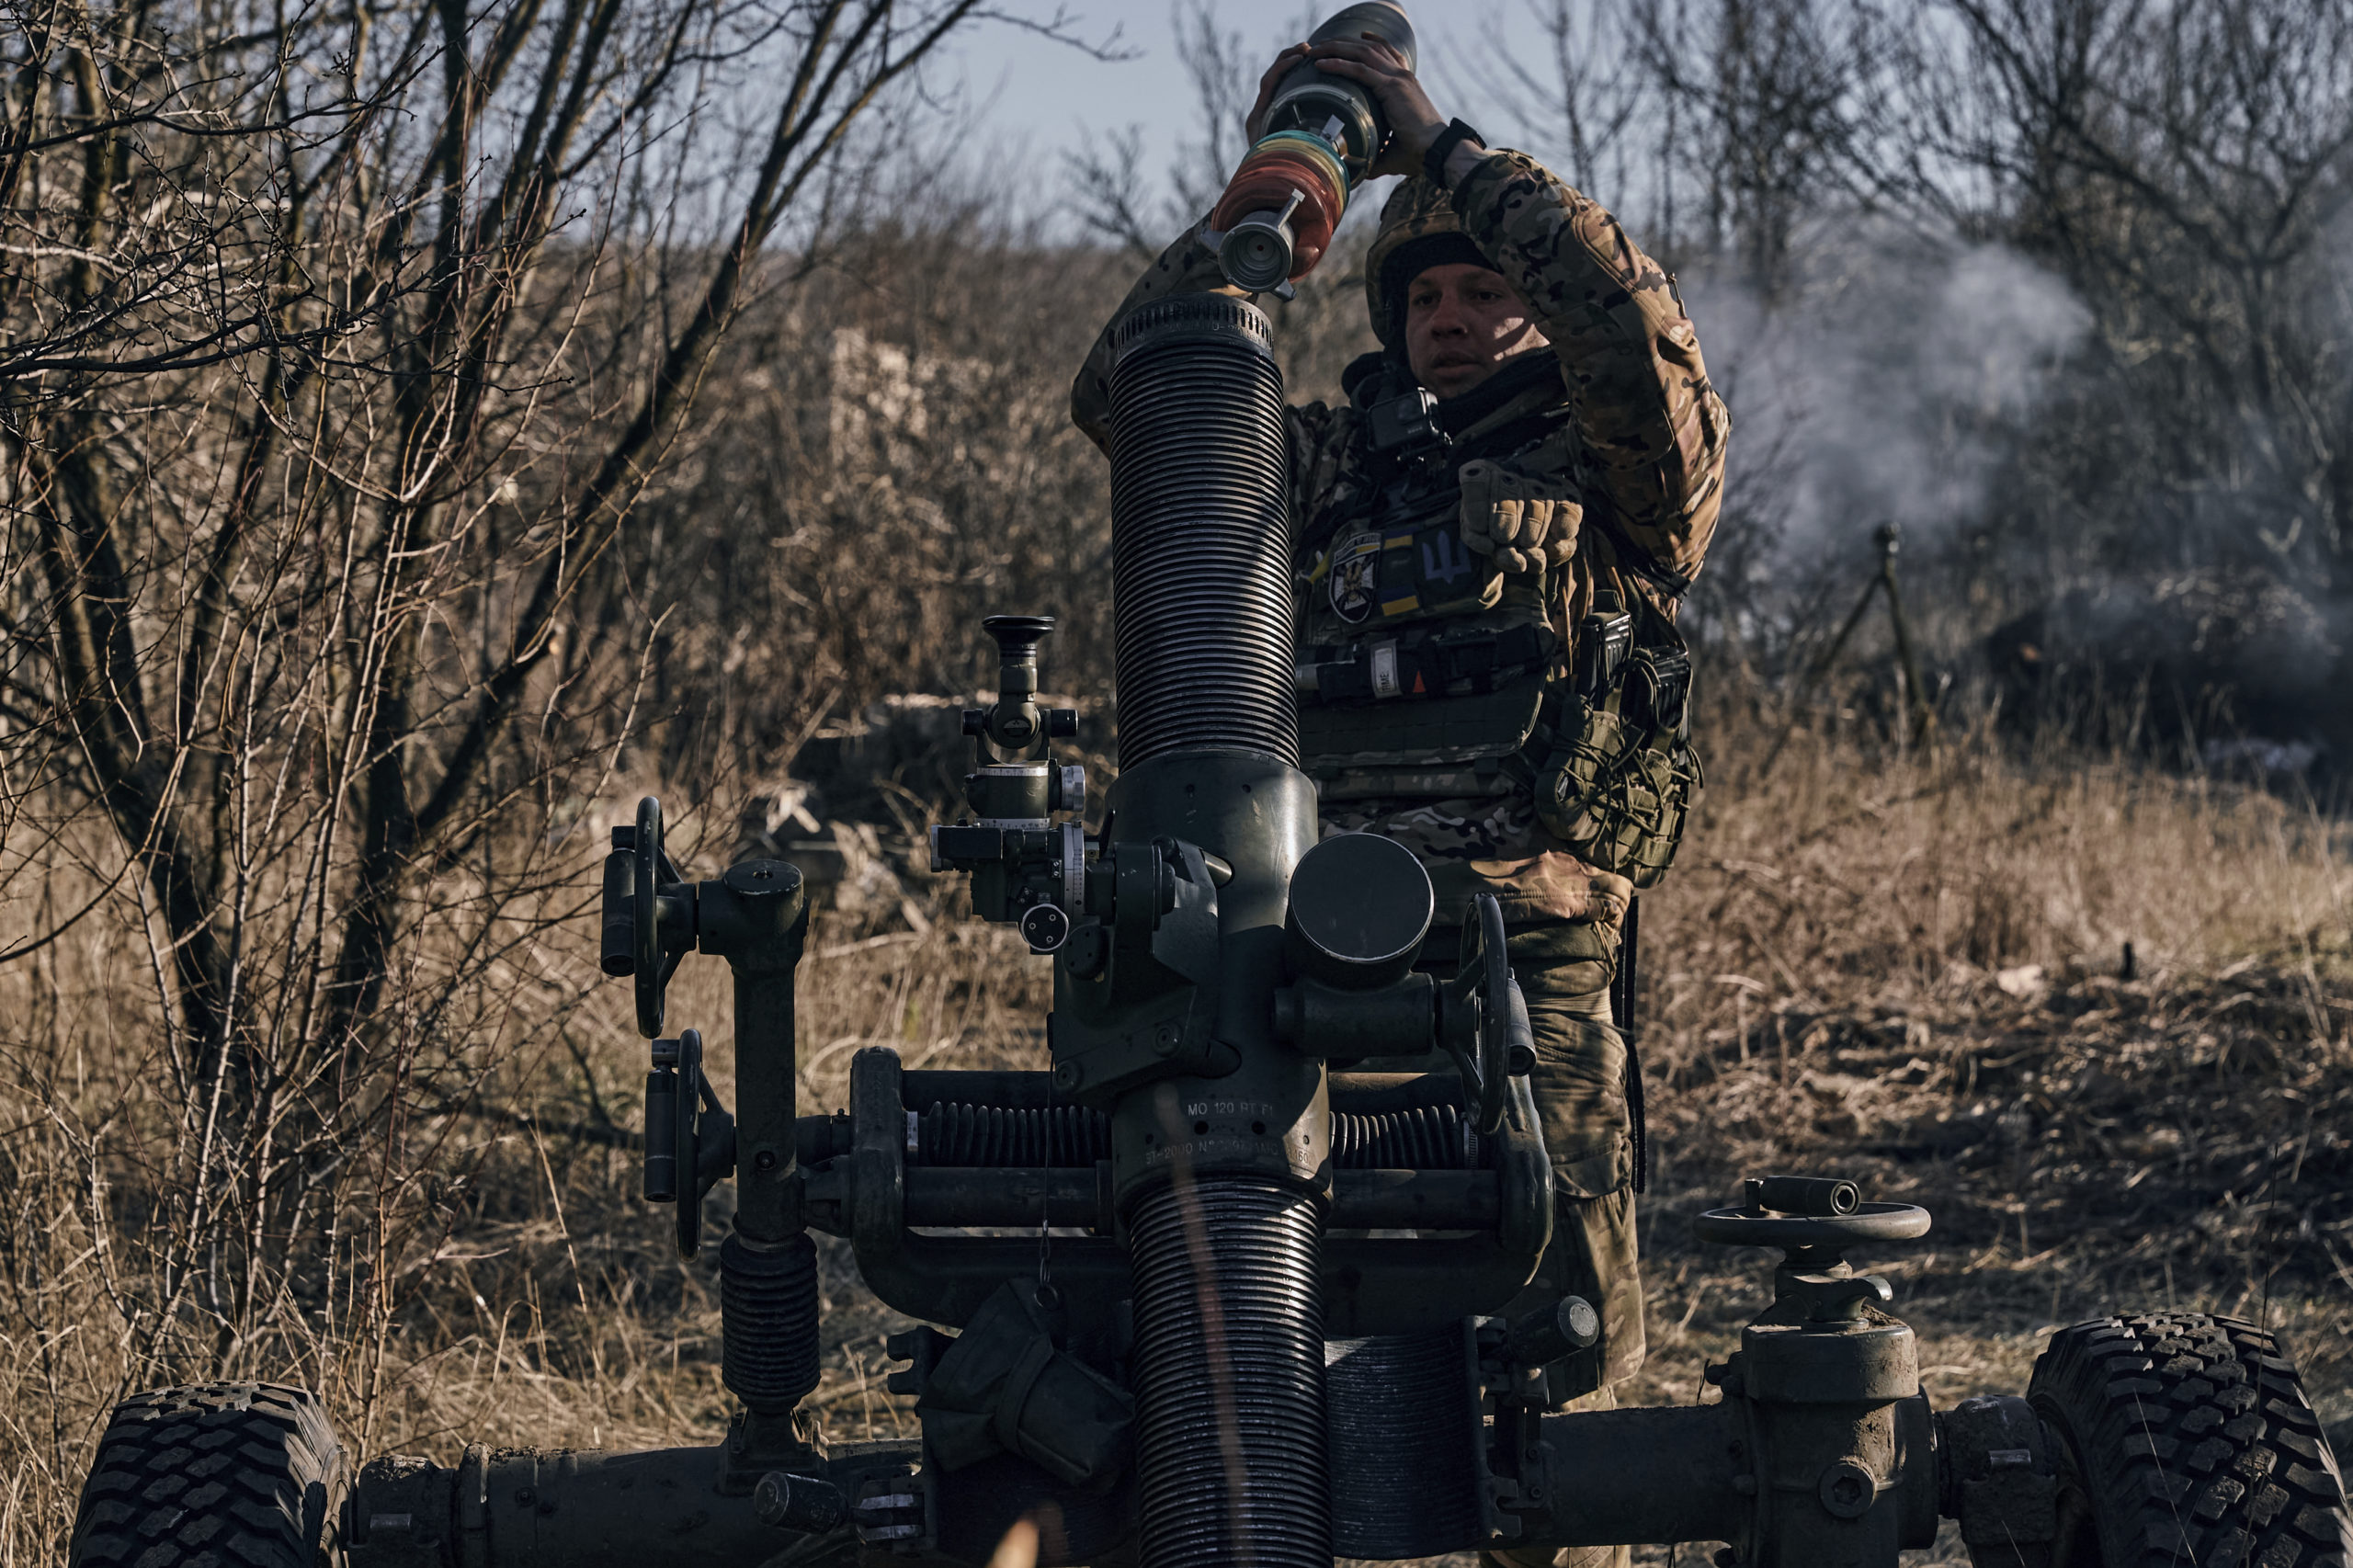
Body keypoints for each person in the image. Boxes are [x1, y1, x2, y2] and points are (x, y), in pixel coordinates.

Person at [1072, 34, 1729, 1568]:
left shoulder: (1614, 476)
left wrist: (1437, 150)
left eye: (1479, 293)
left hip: (1524, 974)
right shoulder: (1322, 474)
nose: (1448, 318)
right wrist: (1265, 215)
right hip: (1302, 976)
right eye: (1421, 297)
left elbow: (1634, 332)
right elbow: (1133, 398)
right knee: (1262, 1346)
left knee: (1554, 1384)